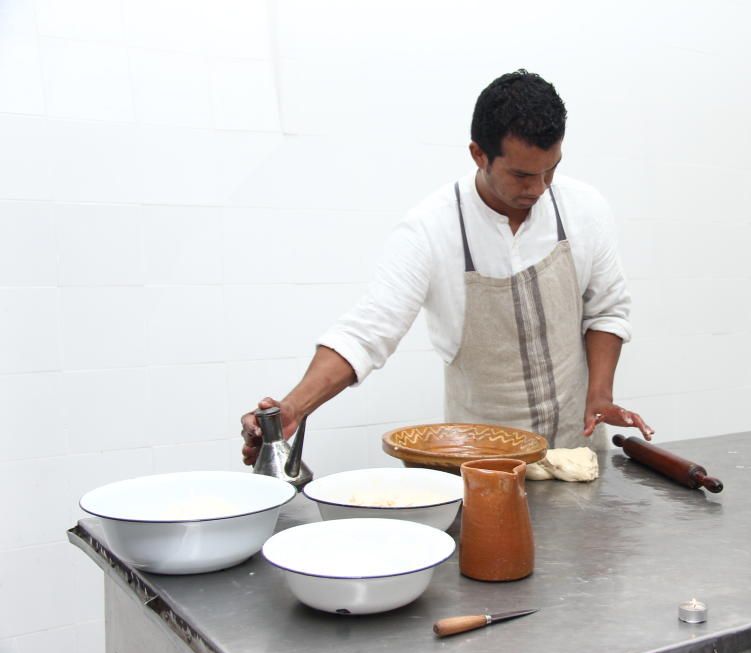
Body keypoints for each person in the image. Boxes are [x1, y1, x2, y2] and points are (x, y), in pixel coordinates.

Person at [241, 69, 653, 465]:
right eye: (523, 175)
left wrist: (600, 394)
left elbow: (607, 310)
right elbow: (366, 334)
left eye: (552, 170)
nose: (540, 187)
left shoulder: (584, 208)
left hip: (575, 456)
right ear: (479, 154)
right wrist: (293, 407)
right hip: (477, 466)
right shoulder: (430, 228)